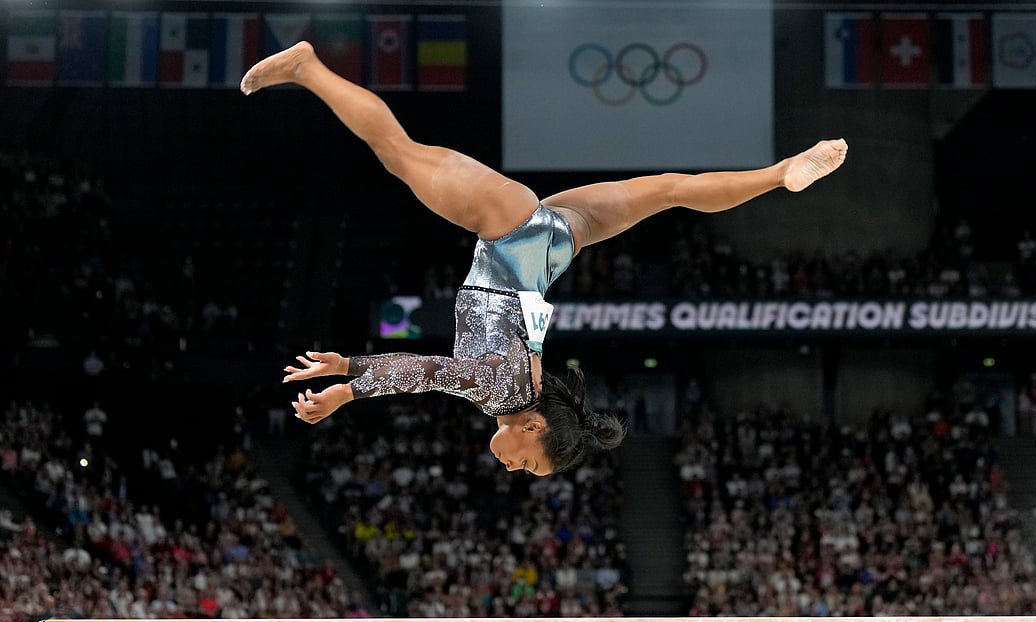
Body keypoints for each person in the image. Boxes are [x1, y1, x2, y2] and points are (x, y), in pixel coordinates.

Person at [243, 42, 847, 476]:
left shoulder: (521, 387)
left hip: (554, 244)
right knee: (397, 151)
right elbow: (429, 373)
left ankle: (778, 175)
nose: (513, 469)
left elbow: (451, 365)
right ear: (534, 429)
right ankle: (308, 66)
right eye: (528, 466)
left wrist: (350, 367)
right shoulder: (505, 393)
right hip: (509, 231)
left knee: (670, 191)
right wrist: (349, 384)